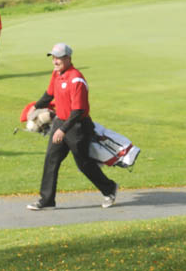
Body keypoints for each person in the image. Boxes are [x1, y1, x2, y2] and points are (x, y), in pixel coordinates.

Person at [25, 43, 118, 210]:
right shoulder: (56, 74)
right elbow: (49, 94)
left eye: (59, 58)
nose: (55, 61)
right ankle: (46, 200)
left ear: (68, 58)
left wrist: (62, 130)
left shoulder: (76, 79)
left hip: (77, 126)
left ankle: (109, 188)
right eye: (53, 57)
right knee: (51, 159)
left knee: (84, 164)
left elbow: (78, 110)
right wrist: (36, 106)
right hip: (60, 122)